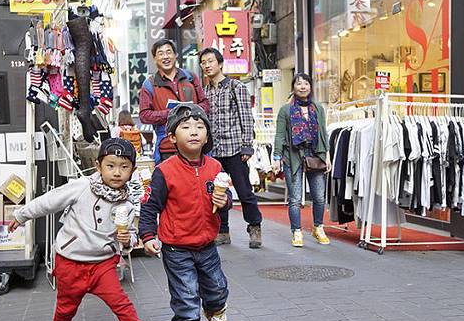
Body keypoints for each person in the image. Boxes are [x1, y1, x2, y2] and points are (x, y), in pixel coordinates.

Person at [8, 138, 159, 321]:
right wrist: (22, 215)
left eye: (124, 167)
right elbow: (50, 201)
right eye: (110, 165)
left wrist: (127, 240)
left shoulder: (127, 204)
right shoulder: (82, 186)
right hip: (70, 260)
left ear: (132, 171)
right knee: (65, 307)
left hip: (103, 263)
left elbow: (129, 237)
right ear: (99, 166)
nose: (117, 172)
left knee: (121, 303)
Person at [139, 103, 232, 321]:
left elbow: (226, 200)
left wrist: (225, 200)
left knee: (217, 287)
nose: (194, 131)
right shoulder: (164, 171)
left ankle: (215, 311)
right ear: (172, 137)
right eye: (186, 127)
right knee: (186, 292)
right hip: (176, 247)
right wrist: (147, 235)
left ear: (207, 135)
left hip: (207, 244)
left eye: (200, 127)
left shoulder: (215, 167)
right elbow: (150, 205)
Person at [199, 47, 263, 249]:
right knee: (218, 191)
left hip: (234, 148)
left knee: (244, 192)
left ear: (220, 63)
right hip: (214, 151)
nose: (207, 65)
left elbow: (246, 117)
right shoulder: (204, 92)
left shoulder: (236, 86)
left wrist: (247, 146)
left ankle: (254, 227)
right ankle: (223, 230)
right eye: (203, 62)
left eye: (210, 61)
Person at [272, 73, 331, 247]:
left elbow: (323, 132)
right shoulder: (285, 110)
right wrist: (276, 157)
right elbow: (279, 135)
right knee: (295, 199)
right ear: (293, 87)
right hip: (293, 156)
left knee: (319, 196)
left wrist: (327, 155)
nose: (303, 86)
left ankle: (318, 227)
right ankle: (296, 231)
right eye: (299, 83)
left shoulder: (318, 108)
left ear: (310, 87)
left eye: (306, 83)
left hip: (316, 154)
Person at [139, 39, 209, 164]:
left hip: (195, 144)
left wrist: (190, 111)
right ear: (154, 59)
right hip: (168, 146)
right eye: (161, 53)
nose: (165, 56)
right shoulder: (149, 84)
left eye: (168, 52)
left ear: (175, 55)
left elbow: (205, 104)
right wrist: (172, 113)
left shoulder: (190, 77)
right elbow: (144, 115)